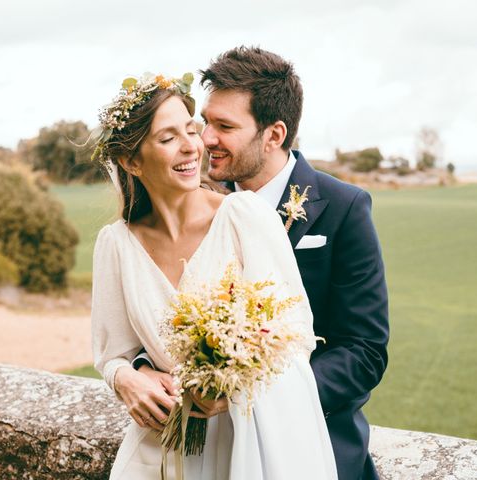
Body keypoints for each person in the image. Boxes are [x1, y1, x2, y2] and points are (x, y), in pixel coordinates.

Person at [122, 47, 390, 480]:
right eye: (205, 121)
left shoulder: (343, 208)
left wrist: (247, 396)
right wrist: (137, 370)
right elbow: (154, 302)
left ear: (274, 134)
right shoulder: (193, 200)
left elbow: (364, 352)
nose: (205, 138)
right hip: (203, 453)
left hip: (312, 447)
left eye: (224, 126)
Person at [91, 72, 337, 479]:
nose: (192, 146)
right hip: (160, 454)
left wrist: (233, 387)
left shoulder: (244, 216)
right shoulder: (115, 244)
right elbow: (112, 353)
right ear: (131, 161)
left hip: (245, 450)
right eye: (167, 138)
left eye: (191, 129)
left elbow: (295, 338)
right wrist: (126, 378)